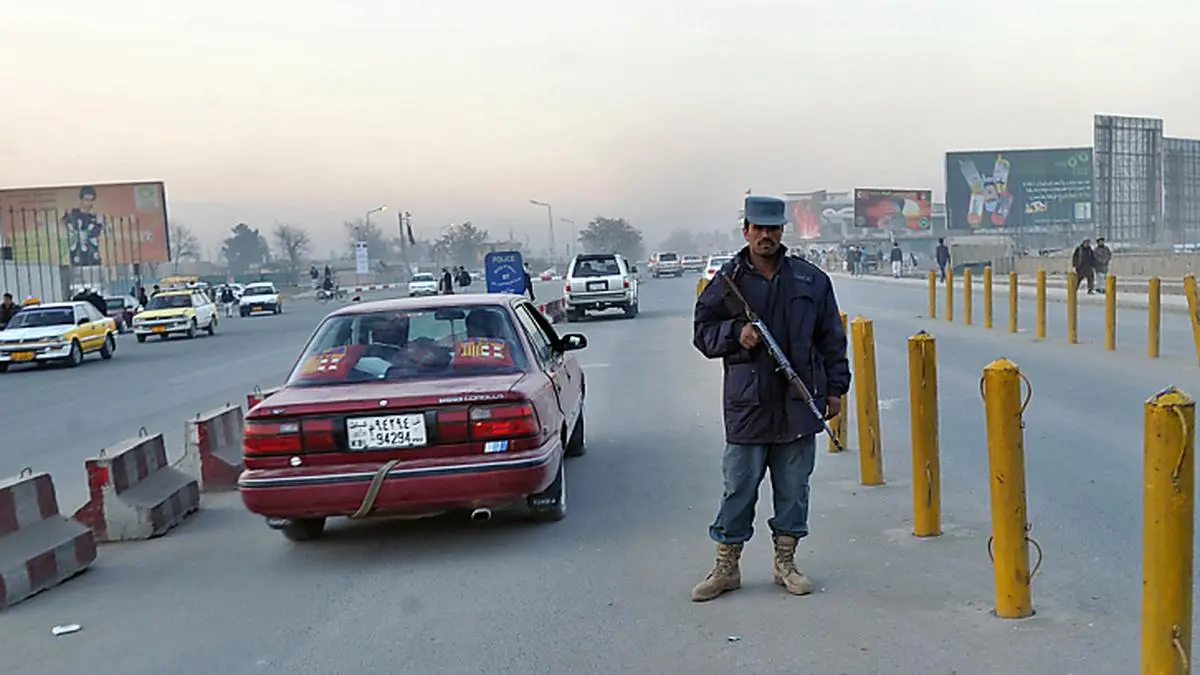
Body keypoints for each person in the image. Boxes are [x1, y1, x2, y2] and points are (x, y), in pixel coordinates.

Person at [691, 195, 851, 603]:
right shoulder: (728, 281)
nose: (766, 235)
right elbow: (703, 333)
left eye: (773, 228)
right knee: (738, 489)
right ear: (746, 231)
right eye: (758, 228)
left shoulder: (810, 280)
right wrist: (736, 334)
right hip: (749, 406)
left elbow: (831, 339)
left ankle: (786, 563)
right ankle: (726, 567)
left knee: (794, 490)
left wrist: (836, 389)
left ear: (782, 231)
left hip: (799, 404)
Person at [60, 186, 106, 267]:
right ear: (81, 200)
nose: (89, 203)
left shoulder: (96, 217)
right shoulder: (73, 215)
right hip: (77, 258)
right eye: (86, 200)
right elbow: (62, 225)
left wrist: (102, 224)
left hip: (93, 258)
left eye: (91, 200)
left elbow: (104, 233)